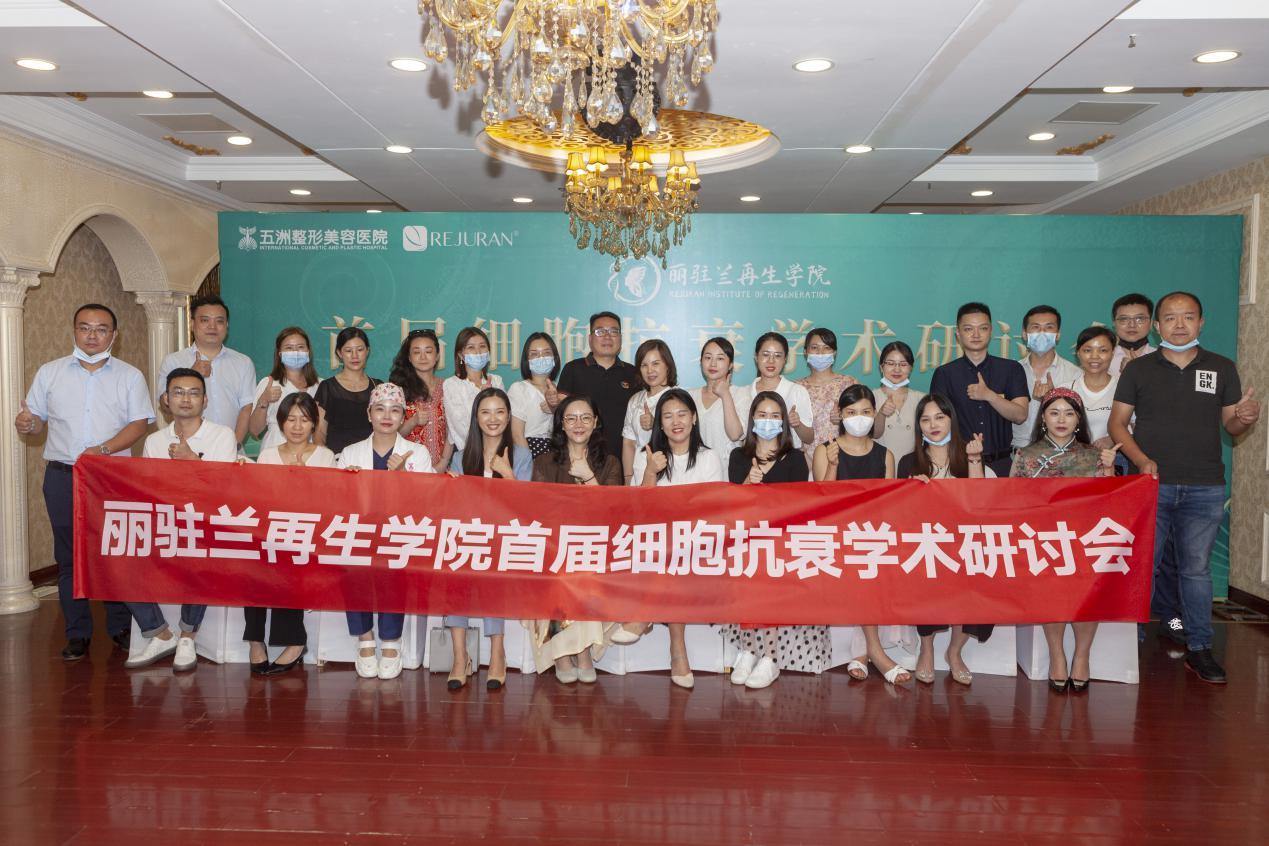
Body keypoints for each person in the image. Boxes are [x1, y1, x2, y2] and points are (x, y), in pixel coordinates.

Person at [1109, 291, 1259, 684]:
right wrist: (1141, 460)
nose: (1179, 324)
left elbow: (1232, 425)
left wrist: (1245, 417)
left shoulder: (1221, 367)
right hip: (1151, 485)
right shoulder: (1138, 370)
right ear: (1157, 326)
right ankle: (1126, 641)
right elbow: (1117, 424)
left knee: (1196, 571)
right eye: (1171, 318)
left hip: (1204, 487)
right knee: (1143, 566)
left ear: (1201, 322)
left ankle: (1200, 647)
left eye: (1188, 316)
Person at [16, 303, 154, 661]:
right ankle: (77, 632)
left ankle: (120, 627)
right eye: (85, 327)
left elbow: (139, 423)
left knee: (113, 553)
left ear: (114, 335)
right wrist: (28, 424)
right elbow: (35, 420)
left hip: (112, 477)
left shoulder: (129, 376)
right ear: (74, 331)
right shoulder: (50, 372)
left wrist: (103, 449)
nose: (92, 335)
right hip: (63, 476)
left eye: (101, 329)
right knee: (69, 557)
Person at [124, 368, 238, 672]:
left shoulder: (222, 435)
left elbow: (226, 490)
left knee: (202, 547)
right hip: (166, 523)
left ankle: (188, 636)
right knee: (118, 555)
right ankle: (160, 634)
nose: (185, 399)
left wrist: (192, 461)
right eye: (178, 392)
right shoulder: (154, 441)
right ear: (166, 399)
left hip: (207, 523)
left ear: (205, 400)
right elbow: (149, 490)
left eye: (193, 393)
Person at [1009, 388, 1117, 692]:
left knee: (1088, 594)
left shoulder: (1093, 454)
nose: (1061, 419)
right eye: (1054, 412)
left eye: (1069, 413)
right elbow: (1012, 501)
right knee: (1052, 592)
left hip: (1084, 537)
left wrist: (1109, 469)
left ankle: (1082, 655)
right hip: (1044, 540)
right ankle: (1057, 654)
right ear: (1043, 417)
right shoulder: (1026, 455)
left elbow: (1111, 502)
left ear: (1078, 419)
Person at [626, 389, 726, 689]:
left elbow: (713, 508)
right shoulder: (648, 456)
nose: (676, 421)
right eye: (668, 416)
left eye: (682, 414)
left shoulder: (708, 458)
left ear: (694, 418)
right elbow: (639, 510)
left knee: (677, 552)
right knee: (667, 551)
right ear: (660, 423)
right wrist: (651, 472)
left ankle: (646, 616)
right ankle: (677, 651)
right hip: (658, 541)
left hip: (698, 541)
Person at [812, 385, 909, 685]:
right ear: (840, 415)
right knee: (864, 564)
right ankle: (876, 652)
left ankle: (862, 652)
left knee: (870, 560)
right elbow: (820, 502)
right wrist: (832, 465)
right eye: (852, 412)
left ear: (874, 414)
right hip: (834, 536)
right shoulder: (826, 449)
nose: (859, 418)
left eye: (866, 412)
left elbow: (890, 506)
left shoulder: (885, 455)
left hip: (871, 536)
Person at [337, 383, 434, 681]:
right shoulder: (350, 453)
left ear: (403, 415)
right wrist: (350, 486)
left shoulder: (417, 453)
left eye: (394, 411)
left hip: (399, 533)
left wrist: (402, 478)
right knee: (352, 564)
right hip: (360, 532)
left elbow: (427, 503)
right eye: (380, 409)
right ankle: (365, 640)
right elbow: (339, 503)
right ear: (369, 414)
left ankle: (391, 642)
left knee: (394, 566)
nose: (387, 416)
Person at [724, 391, 819, 690]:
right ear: (752, 419)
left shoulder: (795, 458)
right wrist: (747, 483)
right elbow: (731, 503)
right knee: (746, 589)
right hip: (746, 540)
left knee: (769, 590)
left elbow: (798, 505)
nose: (768, 421)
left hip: (780, 542)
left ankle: (770, 656)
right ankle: (748, 651)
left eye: (775, 416)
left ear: (784, 422)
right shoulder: (738, 456)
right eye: (762, 415)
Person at [896, 393, 989, 686]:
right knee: (924, 572)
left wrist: (975, 461)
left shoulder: (966, 454)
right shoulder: (909, 462)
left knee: (979, 576)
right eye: (925, 420)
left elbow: (979, 502)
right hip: (927, 543)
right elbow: (901, 514)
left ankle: (954, 651)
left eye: (939, 417)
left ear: (951, 420)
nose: (933, 425)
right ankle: (927, 649)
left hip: (964, 541)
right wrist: (910, 490)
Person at [529, 396, 623, 683]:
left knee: (584, 567)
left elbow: (613, 513)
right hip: (554, 544)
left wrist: (589, 477)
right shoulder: (545, 461)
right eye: (571, 418)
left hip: (596, 545)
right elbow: (538, 510)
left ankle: (581, 651)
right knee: (558, 568)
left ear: (595, 423)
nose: (578, 424)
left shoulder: (610, 462)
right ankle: (563, 653)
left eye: (585, 418)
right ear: (561, 424)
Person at [446, 387, 533, 691]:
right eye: (485, 412)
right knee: (454, 569)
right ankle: (460, 658)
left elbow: (526, 509)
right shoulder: (461, 457)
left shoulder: (521, 455)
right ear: (476, 418)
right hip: (469, 536)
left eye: (499, 412)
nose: (492, 418)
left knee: (493, 569)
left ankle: (498, 653)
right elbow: (453, 507)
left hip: (505, 538)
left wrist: (507, 475)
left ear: (508, 417)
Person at [249, 392, 335, 674]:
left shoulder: (325, 457)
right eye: (291, 419)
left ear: (314, 424)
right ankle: (255, 641)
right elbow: (259, 501)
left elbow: (330, 504)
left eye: (305, 420)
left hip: (308, 535)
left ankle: (295, 641)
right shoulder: (267, 456)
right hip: (270, 531)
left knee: (289, 557)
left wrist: (304, 481)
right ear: (281, 422)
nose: (297, 426)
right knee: (253, 562)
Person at [929, 302, 1028, 478]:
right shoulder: (944, 374)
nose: (976, 334)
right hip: (959, 464)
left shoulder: (1011, 369)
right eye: (968, 329)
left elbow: (1020, 416)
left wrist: (990, 396)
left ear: (991, 331)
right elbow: (937, 422)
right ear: (958, 333)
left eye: (982, 328)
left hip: (1001, 463)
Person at [155, 294, 255, 445]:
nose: (212, 327)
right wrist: (191, 374)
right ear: (192, 324)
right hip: (186, 446)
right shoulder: (173, 361)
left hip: (230, 447)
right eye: (205, 320)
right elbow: (165, 406)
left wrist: (233, 446)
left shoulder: (243, 363)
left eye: (219, 321)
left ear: (227, 326)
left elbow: (246, 409)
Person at [557, 311, 638, 458]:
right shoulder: (573, 369)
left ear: (620, 338)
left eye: (613, 331)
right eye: (600, 331)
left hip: (623, 458)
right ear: (590, 339)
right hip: (580, 458)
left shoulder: (633, 373)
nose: (607, 336)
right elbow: (561, 413)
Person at [1011, 305, 1081, 451]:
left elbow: (1080, 417)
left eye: (1049, 327)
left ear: (1058, 335)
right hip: (1017, 451)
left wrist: (1053, 398)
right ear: (1024, 334)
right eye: (1035, 327)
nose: (1042, 333)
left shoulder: (1075, 374)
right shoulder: (1011, 371)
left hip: (1060, 454)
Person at [734, 332, 814, 449]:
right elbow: (737, 436)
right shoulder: (742, 393)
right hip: (751, 456)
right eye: (765, 354)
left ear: (785, 359)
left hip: (787, 457)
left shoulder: (797, 391)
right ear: (756, 357)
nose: (771, 361)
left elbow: (809, 438)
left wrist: (797, 424)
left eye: (777, 356)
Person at [248, 326, 320, 451]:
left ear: (308, 351)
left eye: (300, 347)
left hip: (310, 452)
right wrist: (264, 401)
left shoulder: (320, 385)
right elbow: (254, 430)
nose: (295, 352)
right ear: (280, 353)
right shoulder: (269, 383)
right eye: (289, 348)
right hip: (274, 451)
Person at [442, 326, 504, 470]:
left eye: (482, 346)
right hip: (468, 455)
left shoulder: (496, 381)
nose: (478, 352)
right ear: (460, 355)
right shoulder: (451, 384)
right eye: (471, 347)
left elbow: (505, 420)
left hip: (498, 454)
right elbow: (460, 427)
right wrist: (482, 400)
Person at [391, 329, 452, 472]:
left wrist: (443, 462)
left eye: (428, 351)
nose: (423, 357)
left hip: (441, 468)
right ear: (409, 357)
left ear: (437, 356)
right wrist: (413, 421)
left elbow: (453, 431)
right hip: (408, 467)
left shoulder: (448, 387)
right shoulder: (398, 390)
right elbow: (390, 435)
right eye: (417, 352)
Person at [314, 326, 381, 455]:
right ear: (339, 353)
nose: (355, 356)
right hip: (337, 458)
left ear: (367, 351)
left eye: (360, 350)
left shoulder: (378, 387)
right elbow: (319, 432)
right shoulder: (327, 387)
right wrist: (327, 458)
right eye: (348, 350)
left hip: (370, 458)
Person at [797, 327, 856, 465]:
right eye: (814, 348)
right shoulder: (796, 388)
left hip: (843, 459)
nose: (820, 353)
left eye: (826, 348)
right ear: (805, 352)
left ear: (834, 352)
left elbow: (862, 421)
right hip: (804, 462)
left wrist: (843, 418)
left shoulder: (849, 383)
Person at [621, 339, 677, 482]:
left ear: (667, 365)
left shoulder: (678, 397)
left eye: (655, 364)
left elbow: (683, 438)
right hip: (638, 474)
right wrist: (628, 479)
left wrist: (656, 424)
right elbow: (629, 443)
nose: (650, 370)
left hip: (669, 474)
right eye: (644, 365)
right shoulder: (635, 400)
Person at [509, 332, 563, 458]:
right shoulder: (519, 389)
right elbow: (517, 435)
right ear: (527, 361)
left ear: (554, 358)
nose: (541, 358)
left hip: (559, 452)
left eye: (546, 353)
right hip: (529, 451)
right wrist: (528, 464)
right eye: (534, 354)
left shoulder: (561, 390)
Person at [871, 341, 925, 466]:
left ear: (911, 368)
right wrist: (881, 414)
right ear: (881, 367)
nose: (897, 369)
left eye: (903, 364)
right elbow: (872, 434)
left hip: (912, 468)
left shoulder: (922, 399)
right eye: (890, 363)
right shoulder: (869, 397)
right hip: (879, 467)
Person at [687, 337, 744, 453]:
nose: (713, 363)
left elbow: (735, 435)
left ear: (730, 365)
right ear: (701, 362)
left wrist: (725, 394)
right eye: (708, 357)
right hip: (696, 463)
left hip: (727, 464)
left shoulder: (740, 394)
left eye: (720, 358)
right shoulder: (690, 396)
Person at [1068, 326, 1118, 446]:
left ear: (1112, 353)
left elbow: (1139, 428)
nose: (1094, 356)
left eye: (1103, 350)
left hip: (1116, 456)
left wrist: (1113, 439)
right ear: (1078, 353)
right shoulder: (1066, 390)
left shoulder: (1124, 388)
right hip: (1073, 456)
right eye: (1087, 350)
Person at [1110, 292, 1156, 376]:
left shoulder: (1163, 359)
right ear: (1114, 324)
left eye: (1139, 319)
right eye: (1124, 319)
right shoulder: (1102, 360)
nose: (1132, 325)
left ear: (1151, 323)